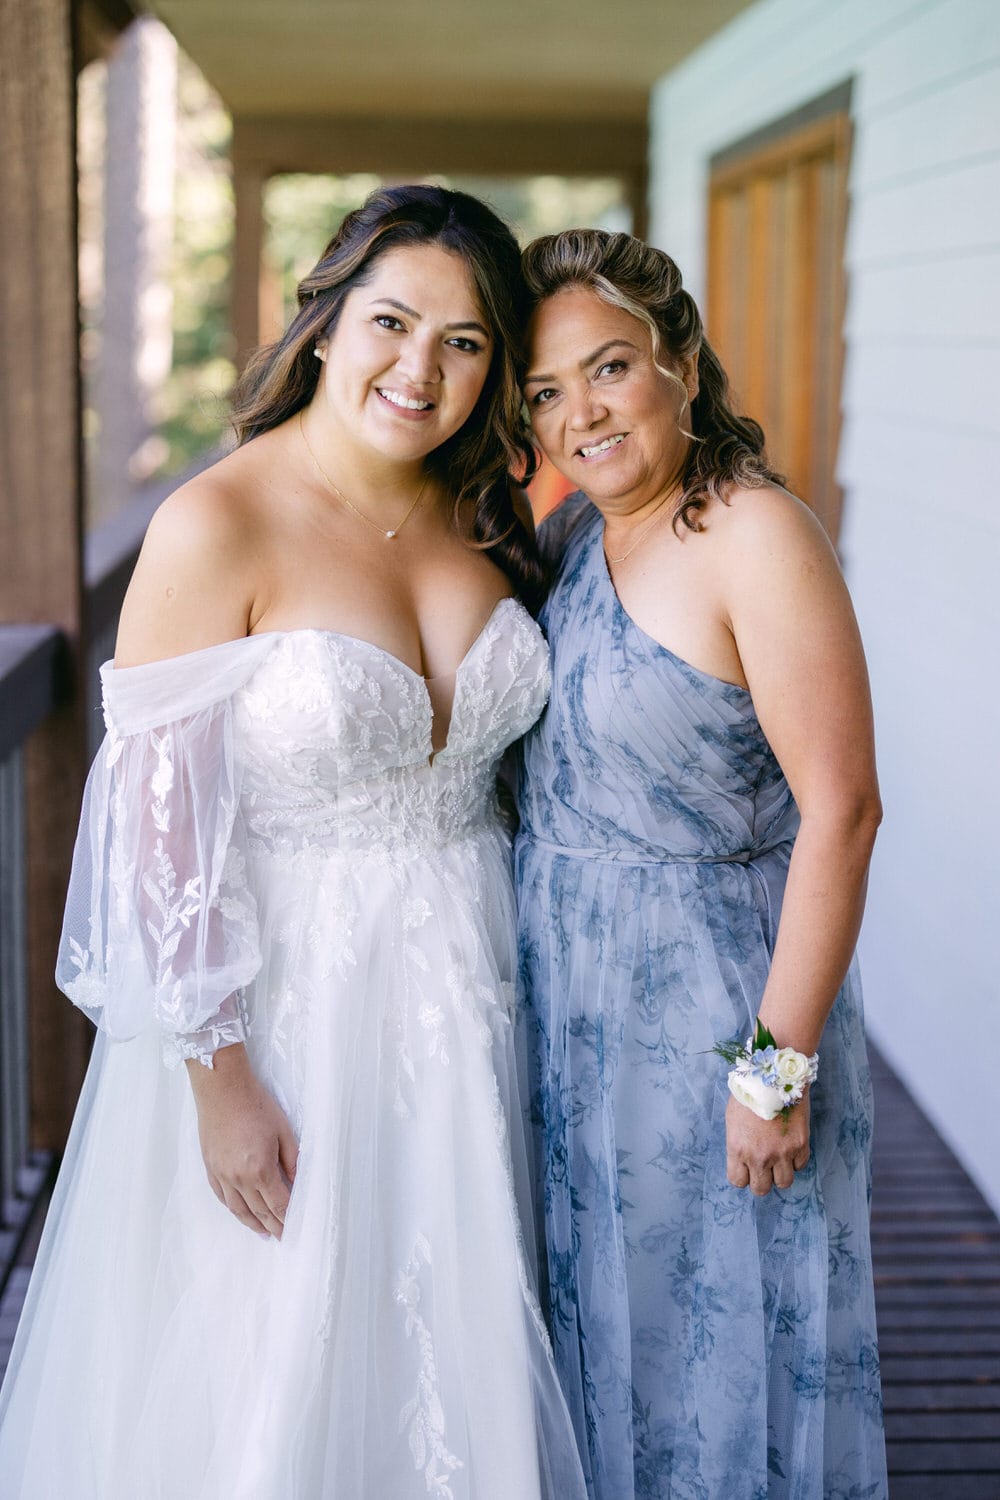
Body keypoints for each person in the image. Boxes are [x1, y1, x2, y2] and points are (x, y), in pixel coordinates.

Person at [0, 186, 587, 1500]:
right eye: (391, 321)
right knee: (277, 1340)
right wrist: (222, 1083)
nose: (418, 367)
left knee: (461, 1307)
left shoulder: (484, 517)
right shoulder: (220, 522)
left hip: (473, 983)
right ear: (324, 324)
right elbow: (161, 830)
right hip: (289, 1009)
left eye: (464, 341)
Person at [513, 229, 888, 1500]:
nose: (581, 413)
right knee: (604, 1352)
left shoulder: (752, 532)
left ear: (677, 359)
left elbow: (841, 812)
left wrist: (773, 1073)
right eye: (545, 393)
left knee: (721, 1362)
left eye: (608, 367)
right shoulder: (574, 538)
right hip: (575, 1020)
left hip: (715, 1019)